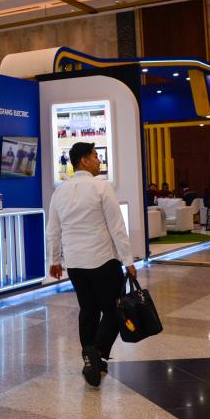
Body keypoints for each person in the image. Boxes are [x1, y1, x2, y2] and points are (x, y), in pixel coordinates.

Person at [47, 142, 136, 388]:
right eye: (96, 156)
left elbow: (53, 230)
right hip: (102, 260)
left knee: (88, 310)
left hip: (75, 263)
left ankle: (91, 358)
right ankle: (95, 353)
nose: (99, 160)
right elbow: (117, 227)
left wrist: (54, 260)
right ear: (84, 161)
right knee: (115, 309)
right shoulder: (101, 187)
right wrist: (128, 260)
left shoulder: (59, 192)